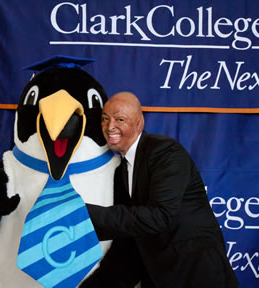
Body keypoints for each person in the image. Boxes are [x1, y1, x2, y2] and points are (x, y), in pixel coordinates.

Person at [81, 91, 239, 288]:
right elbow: (128, 237)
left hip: (197, 273)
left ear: (139, 123)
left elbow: (159, 216)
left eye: (119, 119)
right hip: (158, 276)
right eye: (105, 119)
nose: (109, 126)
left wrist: (80, 213)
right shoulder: (121, 170)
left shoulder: (165, 152)